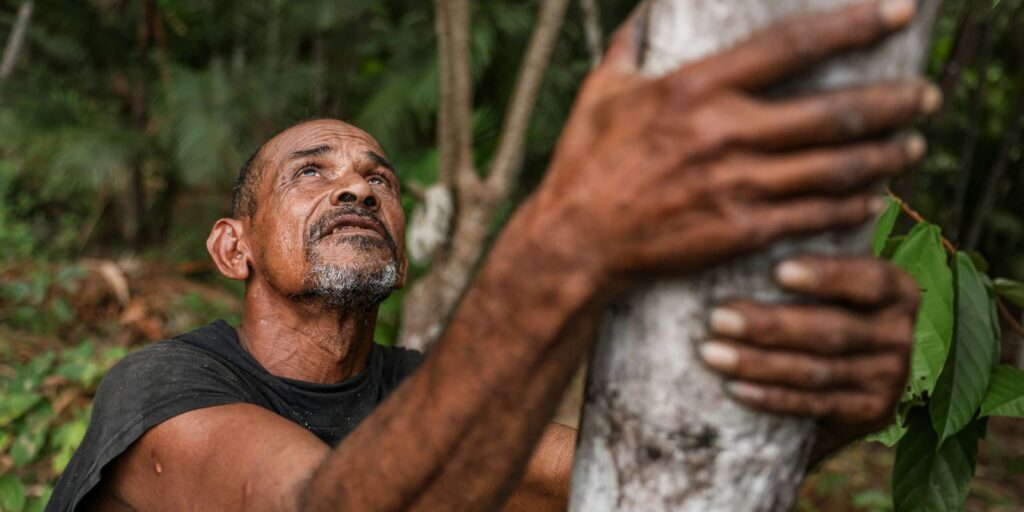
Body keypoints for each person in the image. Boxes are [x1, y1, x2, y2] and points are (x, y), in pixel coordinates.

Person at [48, 0, 932, 510]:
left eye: (379, 177)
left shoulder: (427, 394)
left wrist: (832, 417)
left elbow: (624, 488)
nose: (357, 189)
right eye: (310, 173)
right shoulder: (161, 386)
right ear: (230, 247)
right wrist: (562, 246)